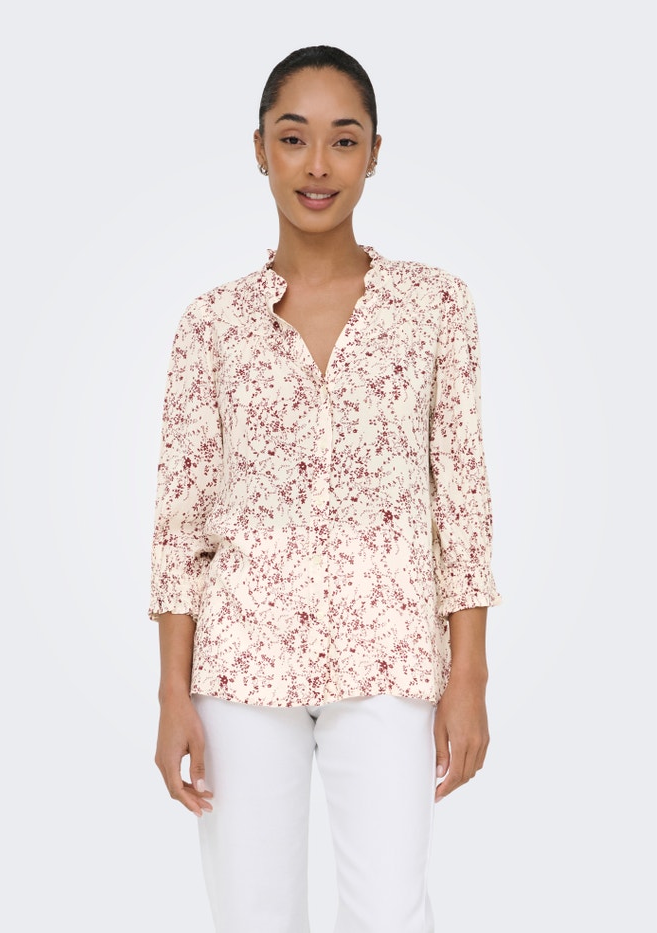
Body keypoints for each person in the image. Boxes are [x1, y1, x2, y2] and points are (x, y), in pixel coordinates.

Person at [148, 45, 502, 933]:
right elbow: (179, 526)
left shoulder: (435, 307)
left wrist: (470, 673)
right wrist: (171, 693)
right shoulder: (211, 325)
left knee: (389, 912)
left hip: (390, 657)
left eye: (343, 140)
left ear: (374, 153)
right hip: (238, 665)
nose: (317, 165)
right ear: (259, 149)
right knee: (253, 915)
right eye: (293, 137)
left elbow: (462, 502)